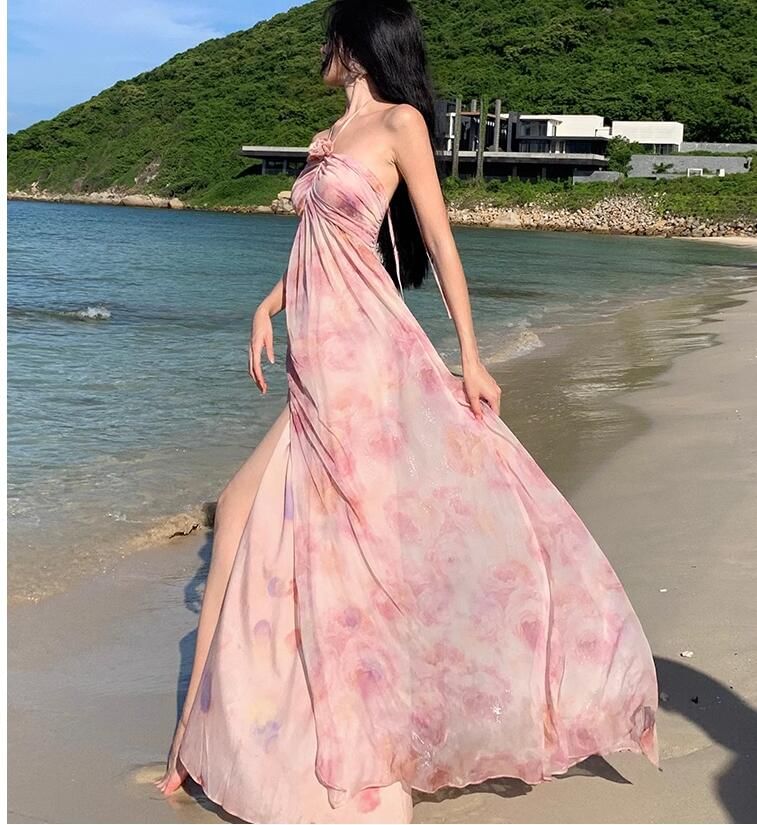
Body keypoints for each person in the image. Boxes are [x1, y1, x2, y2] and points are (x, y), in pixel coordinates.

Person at [155, 1, 659, 821]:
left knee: (337, 534)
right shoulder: (328, 137)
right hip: (317, 361)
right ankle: (200, 733)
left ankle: (332, 726)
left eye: (329, 39)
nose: (321, 52)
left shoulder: (400, 125)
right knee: (249, 509)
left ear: (355, 45)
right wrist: (268, 303)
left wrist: (472, 356)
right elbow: (321, 243)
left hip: (364, 355)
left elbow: (440, 238)